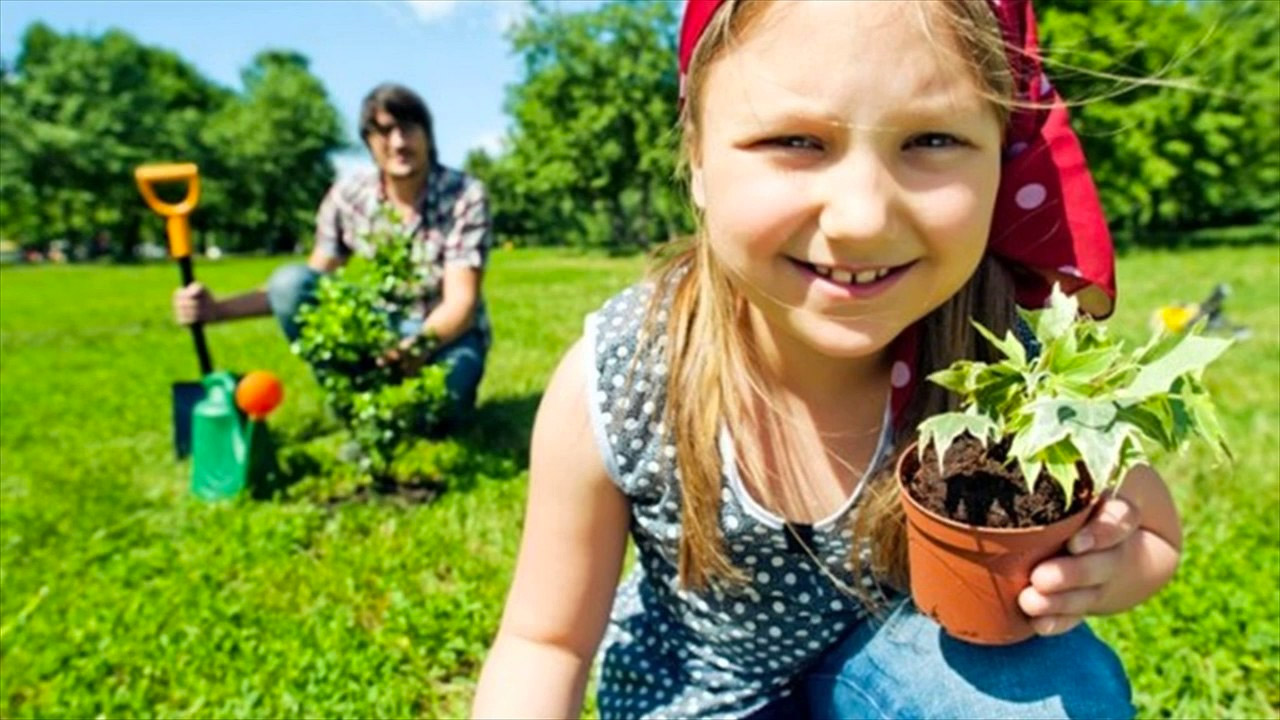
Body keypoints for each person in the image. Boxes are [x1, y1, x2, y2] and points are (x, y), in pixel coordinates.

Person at [473, 0, 1178, 718]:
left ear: (1003, 155)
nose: (862, 217)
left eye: (932, 139)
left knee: (1050, 695)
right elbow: (545, 643)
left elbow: (1152, 529)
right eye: (795, 141)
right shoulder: (627, 377)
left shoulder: (1006, 368)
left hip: (897, 680)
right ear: (697, 160)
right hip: (698, 700)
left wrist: (1106, 568)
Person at [172, 83, 492, 419]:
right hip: (380, 329)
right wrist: (218, 310)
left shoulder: (464, 195)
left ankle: (432, 408)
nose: (398, 142)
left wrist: (415, 350)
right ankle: (354, 407)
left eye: (408, 128)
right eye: (384, 131)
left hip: (447, 337)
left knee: (439, 412)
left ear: (427, 134)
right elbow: (301, 289)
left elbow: (461, 302)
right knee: (289, 281)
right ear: (368, 141)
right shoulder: (348, 197)